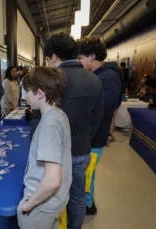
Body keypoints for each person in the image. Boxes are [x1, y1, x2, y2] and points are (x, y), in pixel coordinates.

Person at [31, 32, 104, 229]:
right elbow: (98, 116)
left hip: (54, 153)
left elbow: (40, 121)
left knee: (50, 197)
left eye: (47, 59)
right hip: (81, 149)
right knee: (78, 197)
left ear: (53, 57)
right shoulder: (95, 80)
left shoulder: (52, 81)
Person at [17, 67, 72, 229]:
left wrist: (28, 205)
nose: (25, 96)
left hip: (41, 205)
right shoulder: (59, 114)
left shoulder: (49, 124)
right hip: (55, 201)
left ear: (40, 93)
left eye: (27, 91)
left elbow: (53, 180)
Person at [78, 37, 122, 215]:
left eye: (81, 58)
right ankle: (87, 203)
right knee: (88, 172)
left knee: (88, 174)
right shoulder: (99, 76)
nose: (79, 63)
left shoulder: (108, 78)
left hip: (94, 136)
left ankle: (88, 205)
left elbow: (102, 111)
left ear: (92, 56)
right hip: (91, 134)